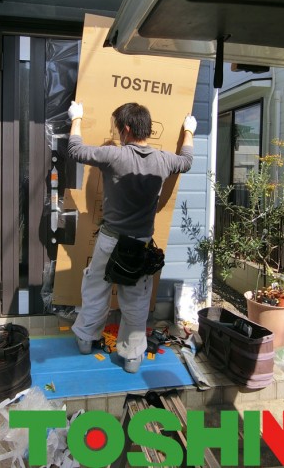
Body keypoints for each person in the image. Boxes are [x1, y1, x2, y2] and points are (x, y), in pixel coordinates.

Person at [67, 101, 197, 373]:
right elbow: (186, 161)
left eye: (118, 129)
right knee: (135, 302)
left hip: (110, 240)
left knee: (95, 289)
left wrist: (77, 118)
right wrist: (189, 131)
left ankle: (84, 340)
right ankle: (133, 358)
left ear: (126, 128)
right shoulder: (163, 160)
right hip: (140, 245)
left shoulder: (115, 156)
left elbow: (75, 150)